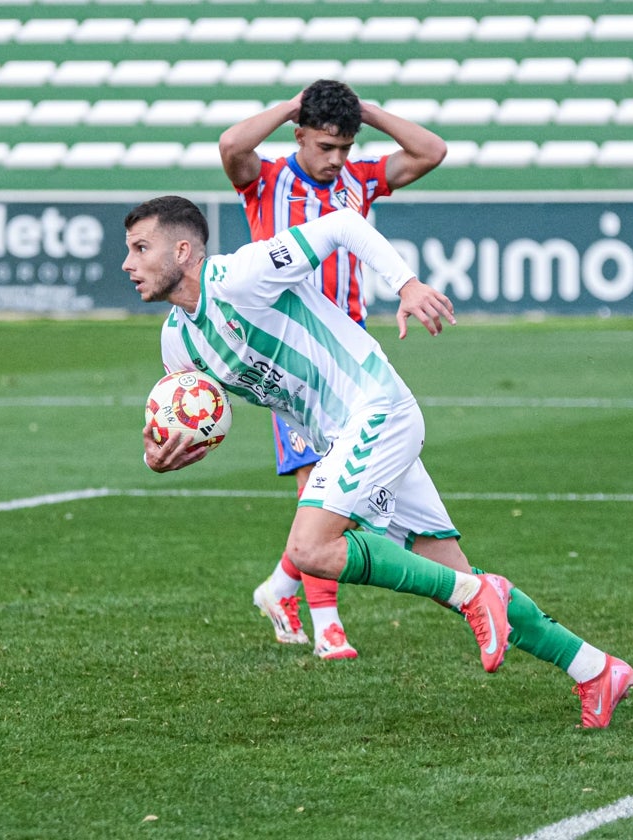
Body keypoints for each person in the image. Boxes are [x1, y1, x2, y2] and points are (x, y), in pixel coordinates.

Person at [122, 195, 633, 728]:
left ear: (183, 250)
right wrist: (155, 457)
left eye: (141, 248)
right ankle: (595, 669)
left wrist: (406, 285)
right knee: (451, 579)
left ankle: (479, 594)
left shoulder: (240, 277)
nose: (128, 263)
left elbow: (343, 223)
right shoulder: (178, 342)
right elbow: (185, 423)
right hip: (343, 436)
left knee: (311, 547)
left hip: (375, 407)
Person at [218, 79, 447, 660]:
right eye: (325, 146)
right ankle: (328, 627)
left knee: (341, 494)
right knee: (318, 494)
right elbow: (230, 146)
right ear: (299, 134)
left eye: (345, 147)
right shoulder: (266, 180)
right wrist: (294, 105)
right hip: (292, 361)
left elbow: (431, 151)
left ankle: (279, 588)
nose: (336, 159)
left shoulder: (359, 181)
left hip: (353, 361)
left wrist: (364, 110)